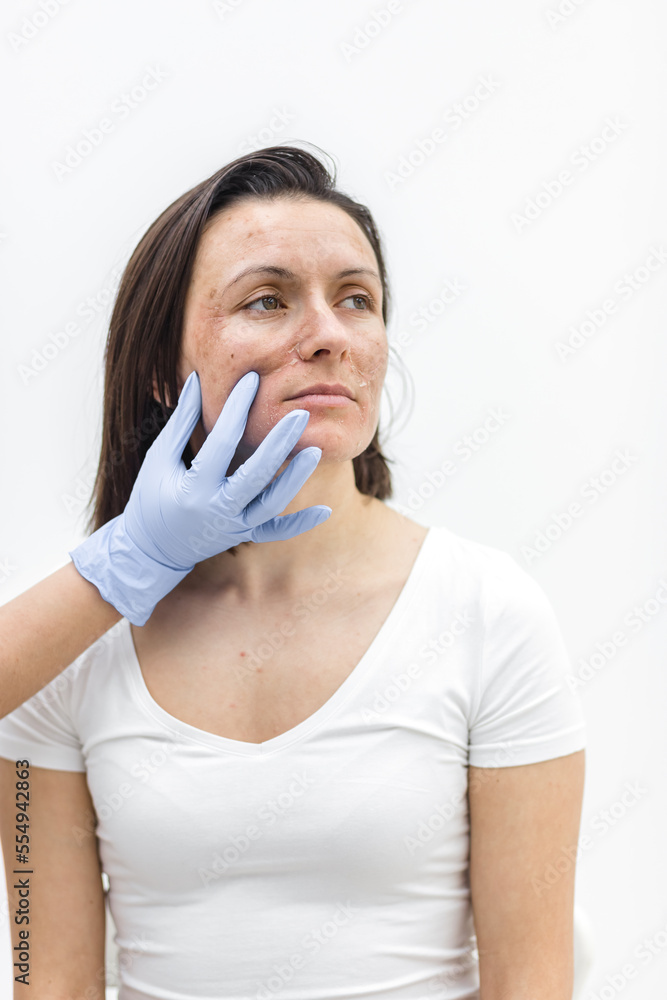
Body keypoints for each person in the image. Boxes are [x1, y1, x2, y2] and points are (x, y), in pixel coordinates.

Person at [0, 145, 586, 1000]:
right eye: (267, 300)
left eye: (357, 299)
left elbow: (532, 985)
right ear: (165, 368)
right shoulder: (66, 640)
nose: (329, 335)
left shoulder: (487, 612)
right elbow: (43, 980)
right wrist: (128, 564)